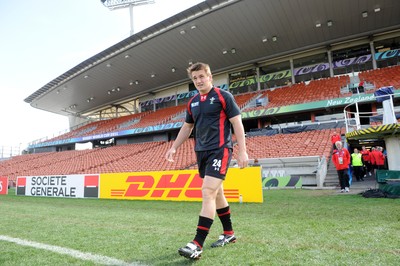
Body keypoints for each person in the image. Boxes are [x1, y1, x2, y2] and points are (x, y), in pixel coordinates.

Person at [165, 62, 249, 260]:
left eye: (202, 76)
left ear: (210, 77)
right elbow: (187, 127)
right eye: (195, 78)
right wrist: (174, 147)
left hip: (220, 150)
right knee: (217, 193)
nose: (199, 81)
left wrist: (243, 151)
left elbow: (237, 122)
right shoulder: (192, 102)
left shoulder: (223, 96)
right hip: (201, 152)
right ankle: (229, 233)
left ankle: (197, 243)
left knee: (208, 191)